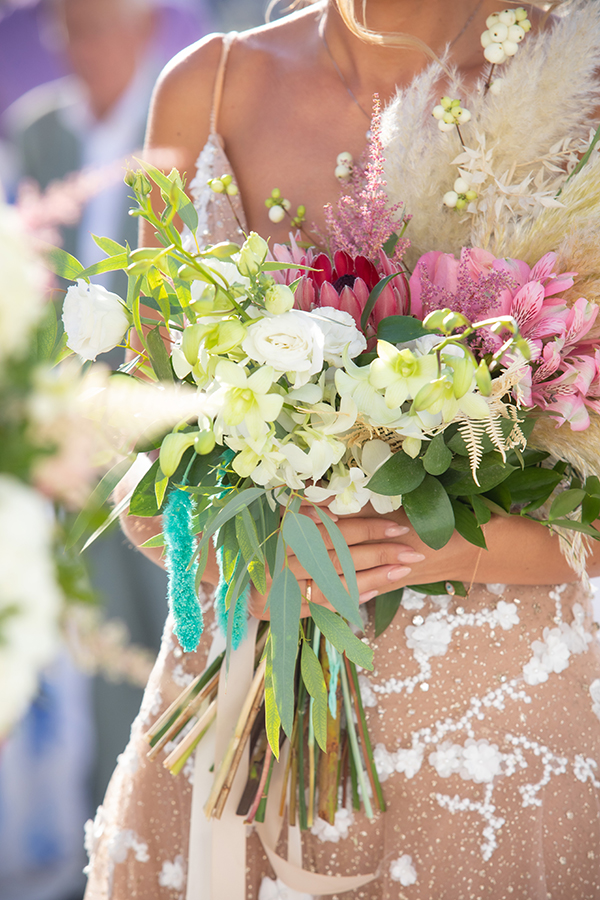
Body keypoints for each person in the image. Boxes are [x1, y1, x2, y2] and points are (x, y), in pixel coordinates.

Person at [84, 1, 600, 898]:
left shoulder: (578, 88)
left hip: (502, 748)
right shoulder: (202, 92)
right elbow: (146, 474)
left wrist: (442, 542)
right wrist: (244, 548)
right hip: (238, 730)